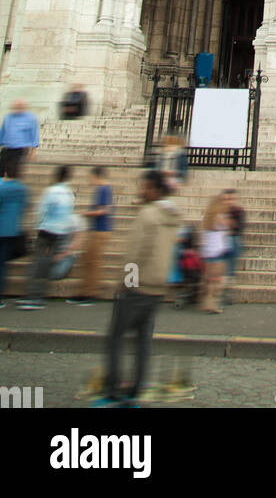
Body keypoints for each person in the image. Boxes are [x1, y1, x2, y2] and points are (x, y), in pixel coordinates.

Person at [93, 169, 179, 407]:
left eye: (144, 186)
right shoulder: (170, 215)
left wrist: (125, 283)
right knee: (142, 340)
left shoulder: (148, 215)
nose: (141, 190)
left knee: (115, 338)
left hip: (138, 286)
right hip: (157, 287)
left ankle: (113, 391)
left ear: (153, 189)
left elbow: (136, 253)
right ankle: (136, 390)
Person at [19, 164, 77, 309]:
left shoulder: (51, 191)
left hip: (45, 230)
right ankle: (39, 296)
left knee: (38, 264)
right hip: (60, 233)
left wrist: (36, 225)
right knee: (46, 264)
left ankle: (33, 297)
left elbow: (41, 210)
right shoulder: (69, 193)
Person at [68, 166, 113, 305]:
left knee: (93, 262)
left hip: (101, 230)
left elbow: (104, 210)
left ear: (97, 176)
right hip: (96, 229)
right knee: (87, 260)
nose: (90, 180)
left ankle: (91, 293)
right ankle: (84, 291)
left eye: (92, 177)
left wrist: (87, 213)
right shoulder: (102, 189)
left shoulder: (104, 189)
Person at [0, 160, 29, 306]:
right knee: (3, 264)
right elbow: (25, 206)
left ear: (5, 173)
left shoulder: (2, 188)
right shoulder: (22, 189)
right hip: (12, 230)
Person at [199, 192, 230, 313]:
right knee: (216, 279)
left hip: (207, 250)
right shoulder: (220, 216)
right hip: (218, 250)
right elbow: (226, 227)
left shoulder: (207, 217)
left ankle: (205, 302)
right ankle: (212, 304)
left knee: (208, 279)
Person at [0, 100, 40, 176]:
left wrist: (33, 152)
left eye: (20, 106)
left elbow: (34, 135)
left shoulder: (30, 118)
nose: (18, 108)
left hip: (20, 149)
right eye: (16, 106)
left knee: (13, 171)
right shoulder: (8, 117)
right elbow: (2, 132)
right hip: (7, 148)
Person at [223, 189, 246, 306]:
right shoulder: (220, 211)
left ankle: (227, 291)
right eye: (226, 199)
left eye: (231, 199)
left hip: (233, 239)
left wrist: (229, 223)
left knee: (230, 268)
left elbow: (238, 228)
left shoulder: (239, 211)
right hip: (223, 240)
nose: (228, 202)